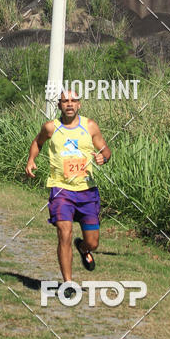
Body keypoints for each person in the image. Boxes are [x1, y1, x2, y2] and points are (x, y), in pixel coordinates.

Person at [25, 90, 111, 279]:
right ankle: (68, 283)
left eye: (74, 101)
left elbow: (105, 150)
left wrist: (103, 157)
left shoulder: (89, 126)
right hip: (61, 189)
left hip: (87, 190)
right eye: (65, 101)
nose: (70, 104)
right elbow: (37, 142)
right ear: (59, 106)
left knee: (93, 243)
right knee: (64, 232)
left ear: (79, 104)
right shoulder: (50, 127)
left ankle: (82, 247)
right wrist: (31, 160)